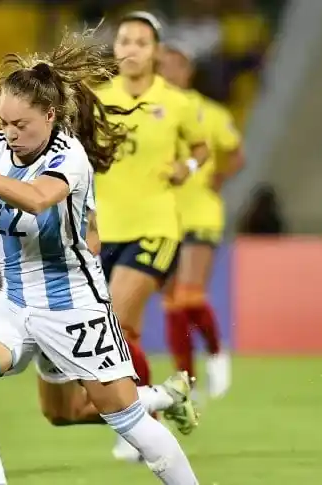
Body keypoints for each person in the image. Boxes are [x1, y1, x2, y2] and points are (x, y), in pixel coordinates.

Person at [0, 29, 200, 484]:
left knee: (126, 420)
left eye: (20, 125)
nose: (9, 135)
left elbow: (36, 199)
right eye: (4, 123)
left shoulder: (70, 158)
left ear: (50, 116)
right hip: (14, 303)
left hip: (74, 308)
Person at [92, 11, 211, 461]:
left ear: (157, 52)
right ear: (116, 47)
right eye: (125, 40)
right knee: (117, 334)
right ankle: (164, 400)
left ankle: (142, 425)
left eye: (142, 42)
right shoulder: (97, 100)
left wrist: (188, 167)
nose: (132, 49)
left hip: (156, 228)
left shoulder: (177, 102)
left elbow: (201, 148)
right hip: (105, 233)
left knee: (117, 324)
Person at [158, 39, 245, 399]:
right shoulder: (149, 111)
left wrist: (219, 178)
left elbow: (236, 155)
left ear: (188, 70)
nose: (168, 71)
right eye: (162, 64)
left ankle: (215, 353)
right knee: (172, 301)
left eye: (175, 64)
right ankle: (187, 381)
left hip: (201, 213)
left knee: (188, 294)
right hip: (162, 216)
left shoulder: (210, 113)